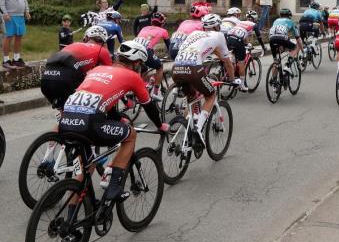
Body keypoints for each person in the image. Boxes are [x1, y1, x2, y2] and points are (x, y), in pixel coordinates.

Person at [57, 41, 168, 202]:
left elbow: (97, 97)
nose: (141, 69)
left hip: (66, 120)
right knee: (131, 135)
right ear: (136, 63)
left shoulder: (97, 69)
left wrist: (117, 118)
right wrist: (160, 125)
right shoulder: (132, 76)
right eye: (141, 66)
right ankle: (114, 187)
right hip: (90, 123)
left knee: (87, 167)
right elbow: (148, 105)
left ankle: (69, 218)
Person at [172, 14, 235, 145]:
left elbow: (211, 49)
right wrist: (233, 79)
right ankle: (198, 129)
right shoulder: (219, 36)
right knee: (211, 95)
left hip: (176, 69)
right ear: (218, 26)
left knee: (192, 97)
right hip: (193, 69)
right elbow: (228, 63)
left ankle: (187, 132)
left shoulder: (195, 33)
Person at [41, 26, 113, 112]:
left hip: (46, 80)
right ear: (104, 42)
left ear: (85, 38)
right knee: (84, 113)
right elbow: (111, 75)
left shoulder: (73, 45)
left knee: (65, 119)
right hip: (66, 79)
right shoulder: (102, 50)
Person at [1, 0, 30, 68]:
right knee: (8, 37)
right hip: (9, 15)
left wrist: (27, 10)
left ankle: (16, 59)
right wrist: (4, 13)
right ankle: (6, 61)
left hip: (20, 15)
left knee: (19, 36)